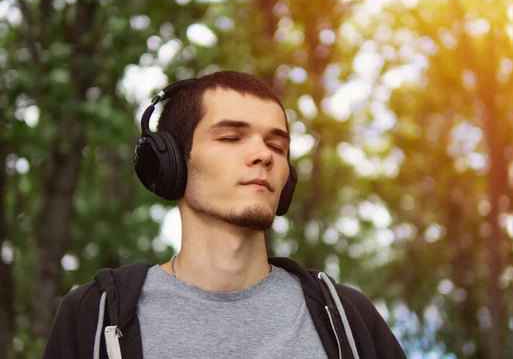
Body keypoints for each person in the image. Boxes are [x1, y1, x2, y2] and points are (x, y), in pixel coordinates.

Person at [43, 71, 406, 358]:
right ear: (170, 165)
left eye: (276, 145)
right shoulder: (95, 315)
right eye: (231, 137)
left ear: (288, 179)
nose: (263, 155)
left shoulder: (347, 318)